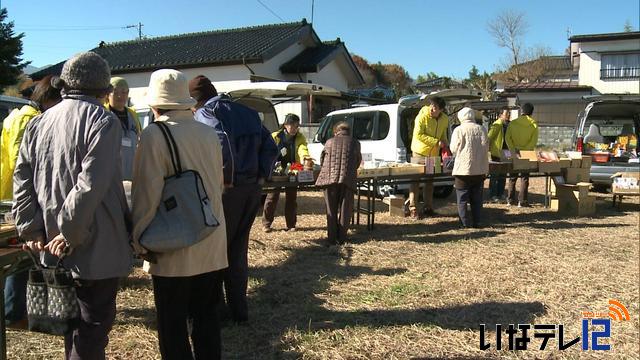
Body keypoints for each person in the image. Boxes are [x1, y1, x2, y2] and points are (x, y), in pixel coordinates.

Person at [12, 52, 132, 359]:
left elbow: (22, 177)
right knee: (92, 329)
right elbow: (90, 184)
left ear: (64, 84)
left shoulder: (39, 122)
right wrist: (69, 233)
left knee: (72, 327)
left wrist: (31, 229)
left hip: (49, 244)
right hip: (93, 242)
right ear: (104, 89)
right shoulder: (103, 120)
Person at [131, 69, 228, 360]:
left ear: (155, 105)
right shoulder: (208, 132)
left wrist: (139, 239)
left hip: (173, 243)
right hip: (212, 237)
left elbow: (146, 195)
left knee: (172, 325)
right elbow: (217, 184)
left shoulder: (153, 135)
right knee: (207, 318)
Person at [189, 75, 278, 324]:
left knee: (216, 250)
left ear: (196, 100)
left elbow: (219, 140)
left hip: (228, 190)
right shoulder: (247, 111)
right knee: (238, 251)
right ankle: (240, 310)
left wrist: (225, 177)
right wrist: (262, 175)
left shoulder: (206, 113)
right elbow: (271, 145)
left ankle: (215, 311)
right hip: (251, 189)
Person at [1, 75, 62, 329]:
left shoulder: (15, 114)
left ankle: (16, 309)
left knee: (20, 253)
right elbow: (21, 160)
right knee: (21, 255)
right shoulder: (29, 119)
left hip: (8, 189)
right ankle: (14, 312)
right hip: (18, 194)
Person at [315, 122, 361, 245]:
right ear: (349, 132)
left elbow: (322, 160)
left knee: (331, 209)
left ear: (336, 132)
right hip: (347, 179)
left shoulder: (329, 142)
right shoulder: (355, 143)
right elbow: (357, 161)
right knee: (346, 209)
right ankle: (342, 238)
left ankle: (331, 238)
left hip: (330, 178)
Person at [262, 113, 309, 232]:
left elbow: (302, 148)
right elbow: (267, 152)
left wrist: (305, 158)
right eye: (292, 125)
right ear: (285, 125)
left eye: (297, 126)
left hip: (293, 167)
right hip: (276, 170)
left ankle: (291, 225)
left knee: (291, 198)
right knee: (272, 196)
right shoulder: (275, 136)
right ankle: (266, 224)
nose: (294, 128)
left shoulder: (300, 137)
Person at [409, 97, 449, 219]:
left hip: (434, 155)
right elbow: (418, 135)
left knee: (430, 181)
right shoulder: (422, 116)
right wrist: (436, 142)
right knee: (415, 181)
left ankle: (428, 207)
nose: (432, 108)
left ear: (441, 110)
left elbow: (443, 134)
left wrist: (446, 146)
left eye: (435, 107)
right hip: (419, 153)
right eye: (431, 105)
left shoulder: (445, 119)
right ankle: (413, 209)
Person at [450, 107, 489, 228]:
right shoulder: (482, 129)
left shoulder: (458, 130)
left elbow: (453, 149)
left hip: (463, 170)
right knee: (476, 198)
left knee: (462, 199)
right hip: (479, 170)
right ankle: (477, 221)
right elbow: (486, 146)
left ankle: (464, 223)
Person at [104, 77, 141, 180]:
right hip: (112, 177)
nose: (120, 96)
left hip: (132, 175)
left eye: (124, 92)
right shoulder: (103, 115)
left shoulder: (133, 114)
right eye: (115, 92)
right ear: (108, 94)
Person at [505, 103, 538, 207]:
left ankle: (510, 200)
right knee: (524, 178)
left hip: (514, 152)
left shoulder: (513, 123)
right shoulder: (533, 124)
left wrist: (513, 149)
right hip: (527, 153)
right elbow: (533, 141)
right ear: (532, 112)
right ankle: (522, 201)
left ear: (522, 111)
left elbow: (507, 138)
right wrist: (526, 150)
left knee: (512, 177)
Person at [487, 108, 511, 202]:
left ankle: (500, 193)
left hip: (506, 152)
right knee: (495, 175)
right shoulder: (497, 124)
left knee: (503, 175)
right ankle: (493, 195)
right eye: (506, 114)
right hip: (497, 152)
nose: (508, 116)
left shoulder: (509, 125)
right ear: (500, 115)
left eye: (508, 114)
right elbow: (489, 137)